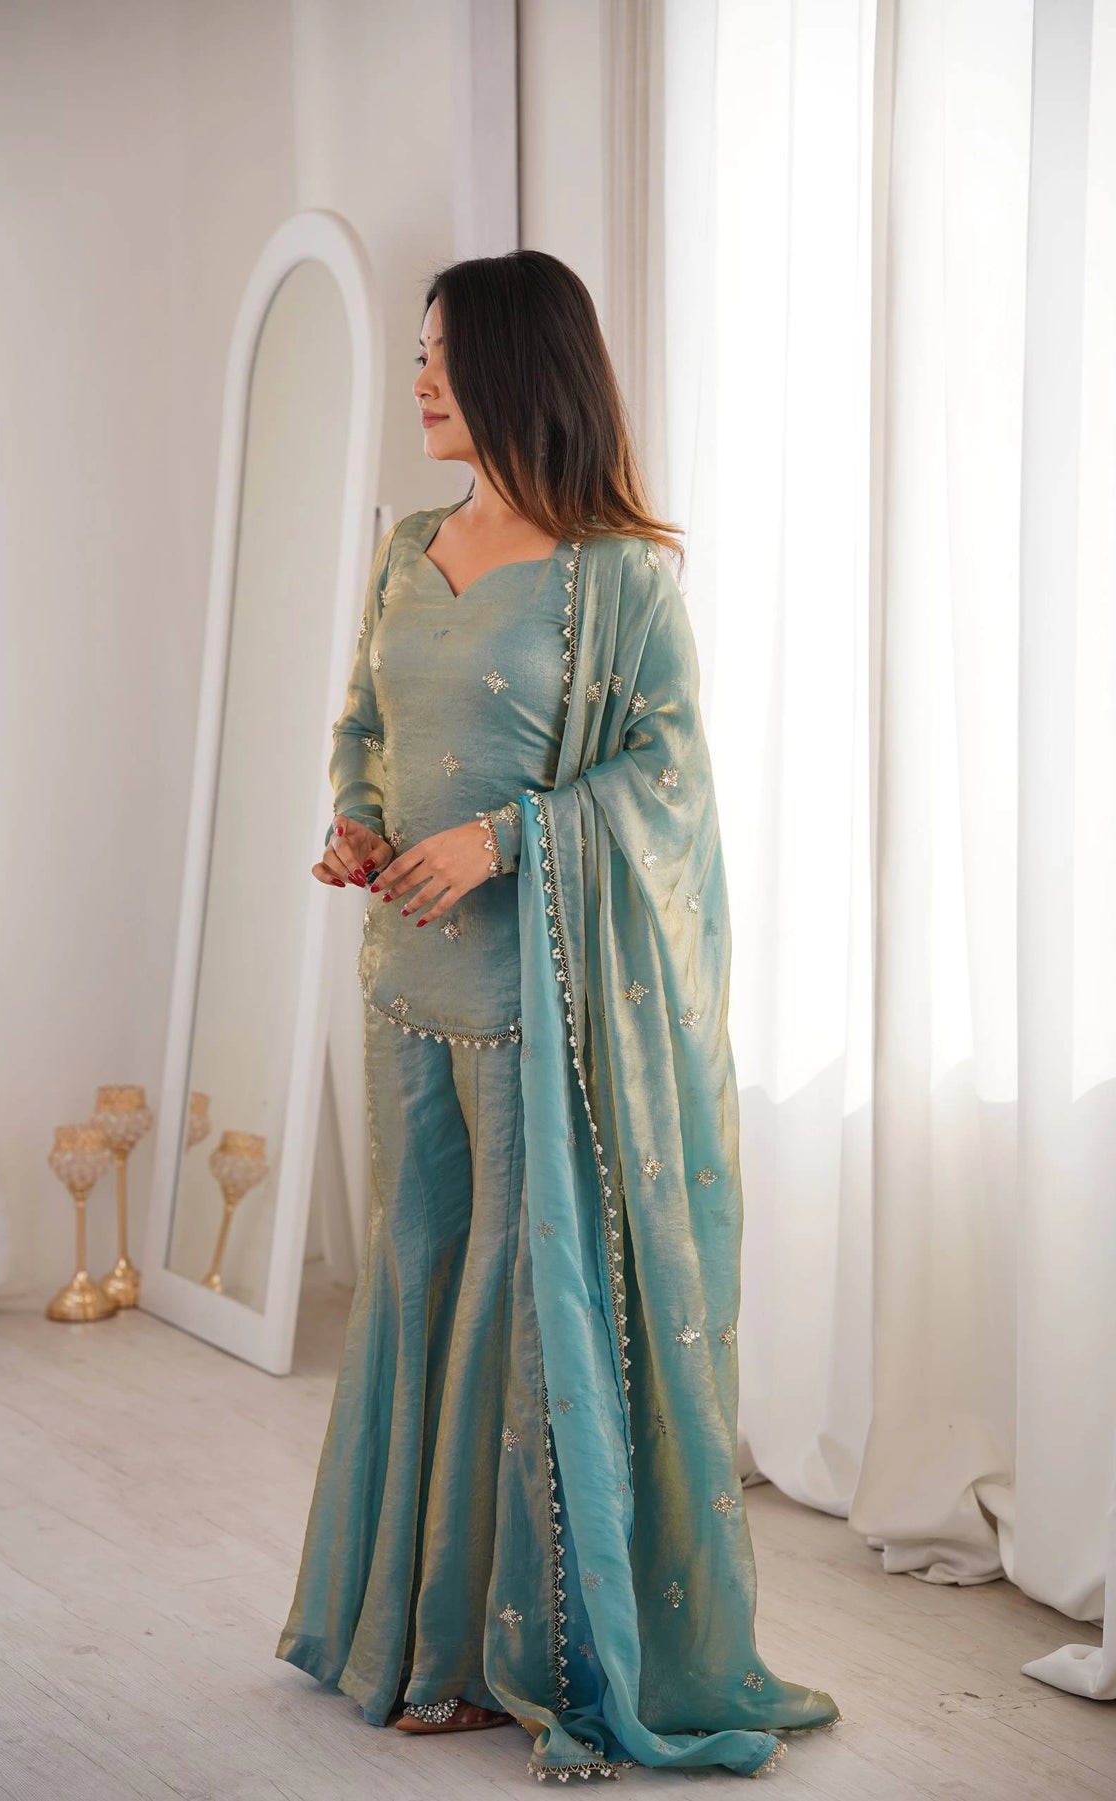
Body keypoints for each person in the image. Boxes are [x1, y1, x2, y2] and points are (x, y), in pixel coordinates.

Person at [276, 250, 842, 1782]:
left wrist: (509, 837)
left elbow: (667, 786)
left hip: (544, 1008)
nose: (421, 380)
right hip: (407, 991)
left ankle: (496, 1654)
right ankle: (390, 1628)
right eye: (416, 355)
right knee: (408, 1288)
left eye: (445, 356)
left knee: (517, 1321)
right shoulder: (408, 548)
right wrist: (356, 821)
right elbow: (364, 730)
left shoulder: (620, 577)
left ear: (527, 367)